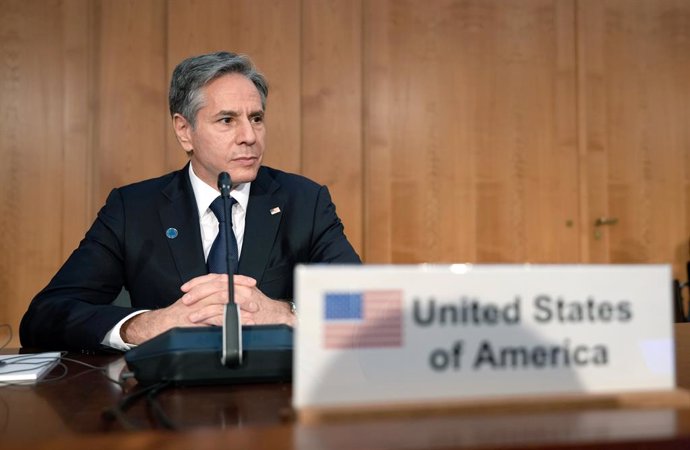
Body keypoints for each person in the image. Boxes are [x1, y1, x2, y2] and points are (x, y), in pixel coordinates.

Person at [19, 51, 360, 351]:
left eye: (256, 118)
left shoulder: (305, 201)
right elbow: (46, 315)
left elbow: (362, 305)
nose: (249, 137)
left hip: (275, 398)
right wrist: (145, 325)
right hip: (166, 403)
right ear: (185, 131)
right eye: (227, 120)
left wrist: (285, 313)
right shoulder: (133, 209)